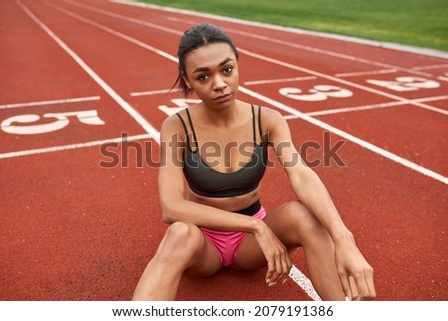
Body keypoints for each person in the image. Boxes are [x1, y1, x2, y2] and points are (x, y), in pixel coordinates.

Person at [132, 23, 375, 301]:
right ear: (187, 80)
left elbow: (300, 174)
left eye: (227, 69)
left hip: (249, 247)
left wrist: (343, 237)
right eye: (203, 77)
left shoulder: (267, 120)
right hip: (204, 242)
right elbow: (171, 207)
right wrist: (256, 227)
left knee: (304, 215)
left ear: (237, 65)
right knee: (178, 234)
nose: (220, 84)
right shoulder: (177, 127)